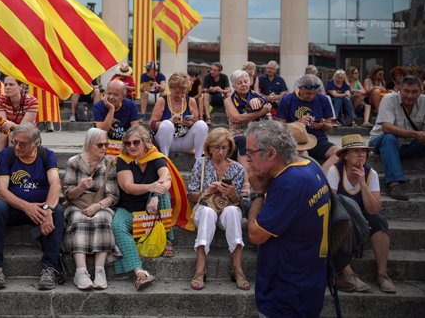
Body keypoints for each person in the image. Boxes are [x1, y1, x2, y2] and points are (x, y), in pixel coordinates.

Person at [245, 120, 330, 318]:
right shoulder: (311, 165)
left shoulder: (290, 183)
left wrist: (258, 193)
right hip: (309, 280)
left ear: (271, 153)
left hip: (287, 290)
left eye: (251, 152)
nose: (247, 159)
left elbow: (256, 235)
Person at [0, 125, 64, 290]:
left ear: (35, 144)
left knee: (58, 211)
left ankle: (49, 268)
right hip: (14, 208)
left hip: (40, 210)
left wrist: (48, 209)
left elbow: (56, 184)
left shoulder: (46, 155)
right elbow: (1, 191)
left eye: (23, 144)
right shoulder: (6, 155)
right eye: (15, 142)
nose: (17, 147)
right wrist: (26, 206)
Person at [326, 134, 396, 294]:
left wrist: (363, 183)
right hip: (341, 215)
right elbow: (330, 204)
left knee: (379, 221)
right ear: (345, 155)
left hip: (363, 216)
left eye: (364, 151)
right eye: (356, 151)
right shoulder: (335, 171)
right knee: (340, 222)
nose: (361, 154)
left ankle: (383, 275)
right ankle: (349, 274)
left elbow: (373, 209)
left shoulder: (371, 174)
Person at [112, 125, 172, 290]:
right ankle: (139, 271)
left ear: (145, 142)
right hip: (129, 210)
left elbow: (166, 178)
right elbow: (127, 187)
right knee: (116, 224)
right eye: (128, 143)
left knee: (164, 193)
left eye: (136, 142)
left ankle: (167, 240)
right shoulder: (123, 160)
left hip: (150, 210)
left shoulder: (155, 156)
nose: (131, 146)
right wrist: (150, 187)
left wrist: (155, 196)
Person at [187, 128, 248, 291]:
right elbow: (191, 196)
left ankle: (237, 267)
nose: (220, 152)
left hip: (226, 211)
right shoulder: (201, 164)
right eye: (216, 147)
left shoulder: (237, 168)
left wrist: (233, 193)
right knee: (207, 212)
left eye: (224, 148)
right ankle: (200, 267)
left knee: (233, 212)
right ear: (209, 148)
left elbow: (239, 203)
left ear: (229, 149)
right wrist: (206, 191)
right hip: (205, 208)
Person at [62, 128, 119, 290]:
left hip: (100, 204)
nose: (104, 148)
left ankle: (100, 271)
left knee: (102, 218)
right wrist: (80, 188)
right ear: (88, 144)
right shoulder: (74, 162)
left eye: (106, 145)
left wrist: (97, 206)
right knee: (78, 218)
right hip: (76, 204)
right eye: (100, 145)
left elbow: (113, 196)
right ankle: (80, 271)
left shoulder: (108, 164)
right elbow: (67, 194)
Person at [368, 75, 425, 201]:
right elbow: (387, 128)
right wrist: (416, 134)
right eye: (406, 91)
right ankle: (394, 184)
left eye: (414, 92)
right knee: (389, 138)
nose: (410, 95)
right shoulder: (389, 99)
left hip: (410, 145)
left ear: (421, 91)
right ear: (399, 89)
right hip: (382, 141)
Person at [277, 73, 340, 172]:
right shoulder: (287, 99)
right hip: (295, 141)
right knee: (304, 157)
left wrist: (322, 125)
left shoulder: (323, 99)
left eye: (314, 93)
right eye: (308, 93)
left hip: (318, 139)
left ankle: (321, 177)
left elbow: (330, 127)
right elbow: (280, 127)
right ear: (300, 88)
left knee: (338, 153)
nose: (311, 97)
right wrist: (297, 123)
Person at [149, 72, 208, 161]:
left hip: (185, 140)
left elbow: (196, 124)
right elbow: (151, 124)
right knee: (167, 124)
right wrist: (170, 121)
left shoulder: (191, 101)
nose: (180, 95)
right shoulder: (162, 100)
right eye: (177, 92)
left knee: (202, 125)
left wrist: (189, 123)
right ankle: (165, 160)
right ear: (171, 88)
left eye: (183, 92)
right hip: (167, 141)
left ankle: (199, 161)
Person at [224, 69, 272, 167]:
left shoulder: (258, 97)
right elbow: (237, 119)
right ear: (233, 86)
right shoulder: (229, 100)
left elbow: (268, 114)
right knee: (243, 140)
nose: (244, 84)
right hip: (238, 133)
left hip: (258, 130)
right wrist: (261, 112)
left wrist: (264, 112)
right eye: (239, 83)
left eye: (246, 82)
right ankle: (247, 177)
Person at [93, 79, 141, 160]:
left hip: (126, 143)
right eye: (109, 93)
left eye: (116, 94)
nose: (111, 97)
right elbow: (101, 131)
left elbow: (135, 129)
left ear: (123, 96)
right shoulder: (98, 106)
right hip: (104, 143)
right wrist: (111, 109)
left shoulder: (130, 105)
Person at [0, 75, 38, 153]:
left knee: (12, 135)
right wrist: (0, 125)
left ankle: (12, 162)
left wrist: (11, 124)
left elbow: (24, 128)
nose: (7, 87)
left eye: (11, 84)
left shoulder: (32, 102)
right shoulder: (0, 100)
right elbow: (2, 123)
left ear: (21, 86)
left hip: (28, 132)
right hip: (7, 131)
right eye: (5, 84)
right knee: (2, 134)